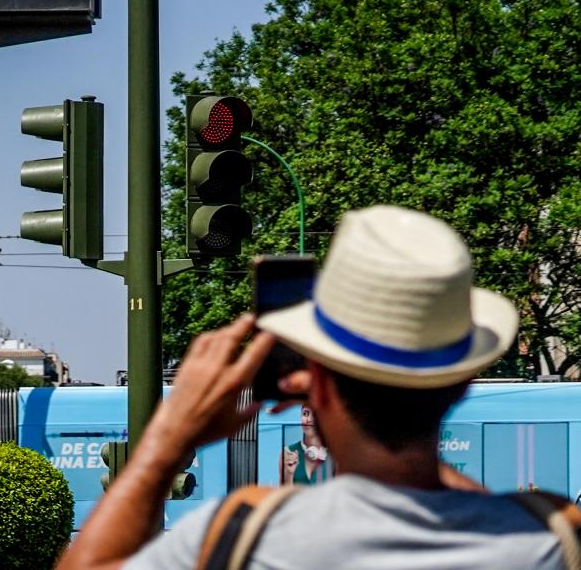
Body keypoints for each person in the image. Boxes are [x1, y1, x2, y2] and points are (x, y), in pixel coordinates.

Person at [58, 205, 571, 570]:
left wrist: (163, 447)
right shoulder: (551, 540)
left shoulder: (242, 537)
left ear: (315, 384)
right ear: (463, 382)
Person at [279, 405, 332, 485]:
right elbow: (284, 493)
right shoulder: (288, 452)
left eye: (315, 414)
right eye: (305, 414)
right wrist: (289, 474)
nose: (309, 420)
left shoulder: (334, 454)